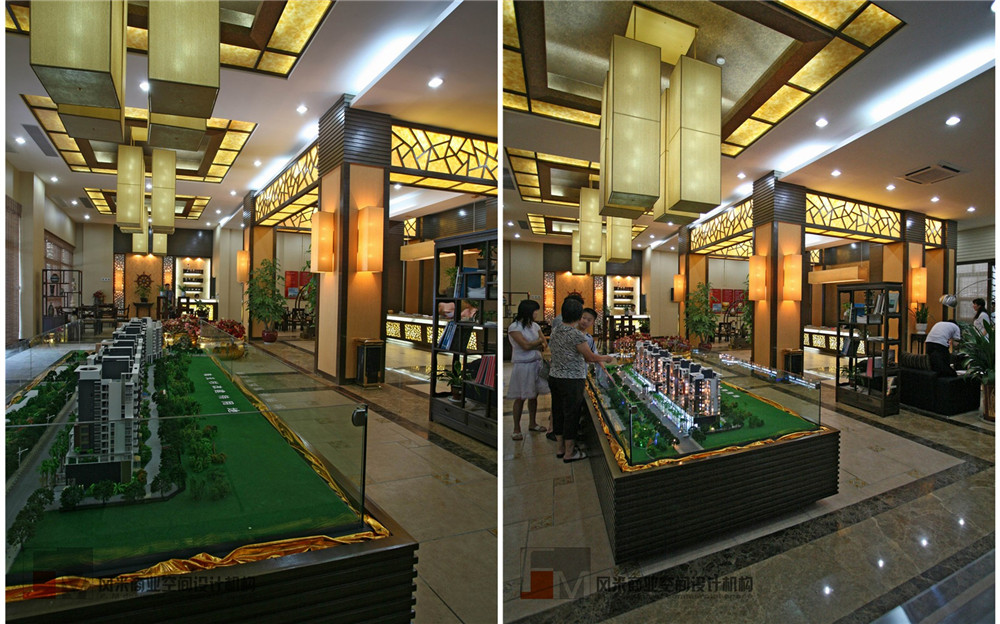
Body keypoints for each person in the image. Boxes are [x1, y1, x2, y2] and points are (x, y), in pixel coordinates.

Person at [548, 297, 614, 463]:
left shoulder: (555, 330)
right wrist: (606, 358)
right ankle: (570, 453)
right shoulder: (576, 335)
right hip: (571, 380)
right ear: (578, 316)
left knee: (558, 411)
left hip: (554, 377)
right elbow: (590, 357)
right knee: (571, 414)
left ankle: (560, 448)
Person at [507, 299, 549, 440]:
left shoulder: (535, 326)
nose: (536, 313)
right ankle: (516, 428)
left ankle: (533, 423)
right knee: (520, 397)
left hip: (536, 363)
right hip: (523, 365)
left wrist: (537, 343)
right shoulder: (514, 327)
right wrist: (538, 342)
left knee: (533, 396)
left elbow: (544, 343)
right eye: (535, 311)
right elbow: (525, 346)